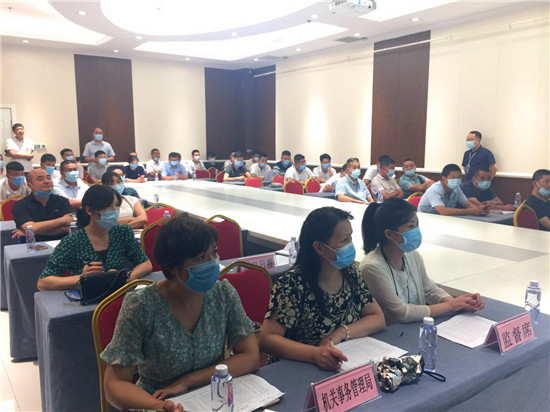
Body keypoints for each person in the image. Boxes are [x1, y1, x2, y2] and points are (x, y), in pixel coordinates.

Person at [100, 214, 259, 410]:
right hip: (156, 401)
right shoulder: (142, 305)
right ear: (174, 268)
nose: (212, 262)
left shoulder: (223, 293)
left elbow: (250, 355)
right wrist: (160, 405)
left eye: (214, 252)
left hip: (210, 397)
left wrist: (188, 381)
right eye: (201, 258)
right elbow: (114, 384)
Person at [260, 207, 385, 370]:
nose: (350, 245)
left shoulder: (350, 272)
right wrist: (315, 354)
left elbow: (377, 318)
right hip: (297, 368)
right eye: (344, 240)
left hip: (341, 361)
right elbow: (268, 339)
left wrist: (341, 333)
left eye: (350, 238)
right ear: (319, 247)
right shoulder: (292, 284)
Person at [360, 198, 485, 324]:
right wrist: (450, 305)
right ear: (389, 234)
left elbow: (429, 289)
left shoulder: (411, 255)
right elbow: (401, 313)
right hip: (393, 332)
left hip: (416, 326)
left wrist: (460, 303)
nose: (416, 230)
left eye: (417, 224)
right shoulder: (372, 267)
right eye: (411, 226)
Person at [37, 185, 152, 291]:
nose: (115, 210)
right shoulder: (73, 241)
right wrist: (81, 278)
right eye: (108, 206)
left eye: (117, 205)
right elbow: (43, 283)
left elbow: (145, 264)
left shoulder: (122, 232)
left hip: (118, 295)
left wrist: (124, 277)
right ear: (89, 210)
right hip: (89, 298)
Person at [12, 169, 72, 241]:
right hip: (33, 244)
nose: (47, 181)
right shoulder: (20, 205)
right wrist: (62, 220)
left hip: (61, 243)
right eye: (40, 179)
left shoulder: (62, 201)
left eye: (49, 178)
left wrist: (32, 231)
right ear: (30, 185)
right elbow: (31, 227)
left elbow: (66, 228)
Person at [418, 164, 488, 216]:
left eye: (459, 177)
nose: (456, 180)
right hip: (425, 219)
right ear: (444, 179)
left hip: (442, 219)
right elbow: (443, 211)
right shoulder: (435, 190)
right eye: (453, 177)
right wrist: (471, 211)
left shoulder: (456, 188)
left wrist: (480, 210)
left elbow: (467, 204)